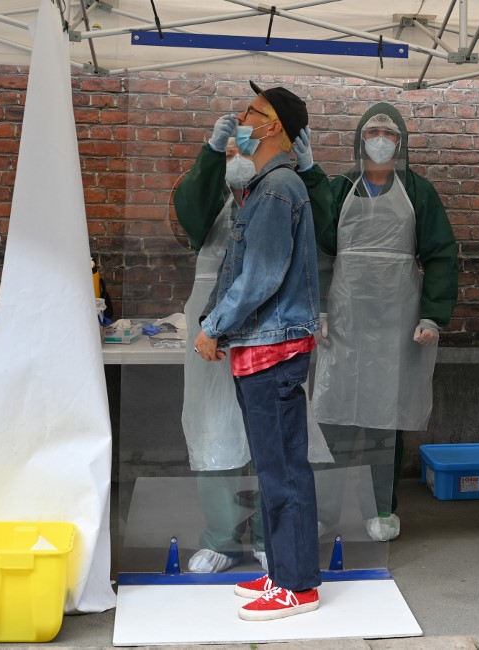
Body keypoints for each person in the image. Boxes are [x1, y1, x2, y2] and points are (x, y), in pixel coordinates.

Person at [174, 103, 332, 574]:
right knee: (215, 429)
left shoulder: (277, 188)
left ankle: (281, 550)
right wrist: (209, 157)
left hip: (262, 329)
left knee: (277, 450)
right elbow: (190, 218)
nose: (243, 126)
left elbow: (269, 267)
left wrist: (313, 173)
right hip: (225, 321)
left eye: (253, 116)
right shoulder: (238, 186)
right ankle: (225, 535)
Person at [310, 103, 458, 542]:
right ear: (359, 139)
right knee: (332, 415)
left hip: (397, 318)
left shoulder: (419, 192)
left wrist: (433, 314)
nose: (380, 138)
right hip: (343, 316)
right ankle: (324, 511)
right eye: (372, 130)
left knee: (384, 417)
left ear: (401, 142)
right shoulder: (338, 190)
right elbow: (319, 252)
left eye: (389, 132)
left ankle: (381, 507)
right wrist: (316, 308)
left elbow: (442, 255)